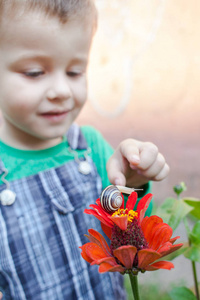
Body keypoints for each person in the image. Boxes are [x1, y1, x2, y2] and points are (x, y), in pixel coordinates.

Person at [0, 1, 169, 299]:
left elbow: (131, 228)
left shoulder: (90, 148)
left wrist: (133, 182)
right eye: (35, 72)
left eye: (75, 71)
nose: (62, 90)